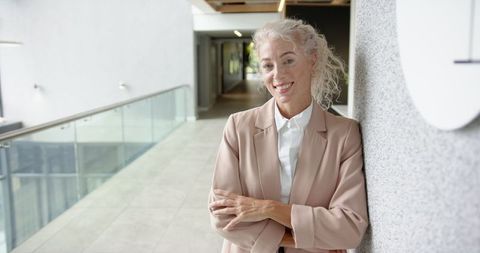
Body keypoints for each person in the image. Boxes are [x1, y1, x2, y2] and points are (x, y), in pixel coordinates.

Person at [208, 19, 368, 253]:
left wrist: (267, 208)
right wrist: (305, 237)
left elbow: (349, 228)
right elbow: (222, 216)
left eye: (288, 60)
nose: (278, 75)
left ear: (312, 60)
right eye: (267, 65)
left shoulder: (344, 135)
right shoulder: (238, 126)